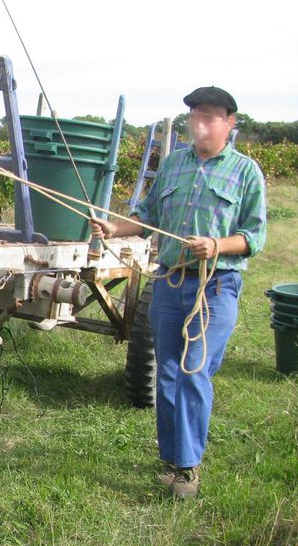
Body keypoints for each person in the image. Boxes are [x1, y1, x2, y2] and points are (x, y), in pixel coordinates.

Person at [90, 86, 267, 498]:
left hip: (215, 286)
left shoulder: (245, 172)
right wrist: (116, 228)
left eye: (210, 117)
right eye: (195, 117)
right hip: (170, 283)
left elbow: (254, 236)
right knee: (167, 374)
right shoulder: (172, 165)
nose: (200, 124)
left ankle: (188, 467)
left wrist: (217, 245)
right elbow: (148, 217)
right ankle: (171, 459)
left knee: (193, 372)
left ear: (229, 123)